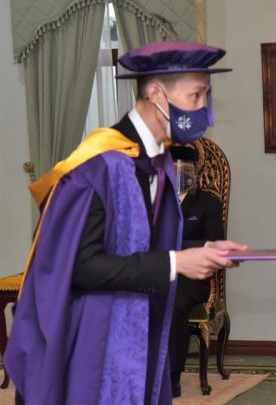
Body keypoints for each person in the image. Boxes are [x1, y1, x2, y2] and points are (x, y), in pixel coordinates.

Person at [4, 41, 247, 405]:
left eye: (205, 97)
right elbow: (81, 266)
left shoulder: (157, 161)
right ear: (156, 93)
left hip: (136, 321)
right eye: (196, 96)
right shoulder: (98, 165)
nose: (203, 109)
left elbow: (138, 246)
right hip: (92, 332)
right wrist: (176, 262)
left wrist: (203, 250)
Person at [168, 144, 225, 397]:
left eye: (187, 169)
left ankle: (172, 377)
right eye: (175, 169)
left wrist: (176, 247)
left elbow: (215, 244)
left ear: (195, 172)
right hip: (158, 271)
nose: (181, 174)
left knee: (173, 304)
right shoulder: (154, 202)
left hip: (192, 279)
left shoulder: (207, 203)